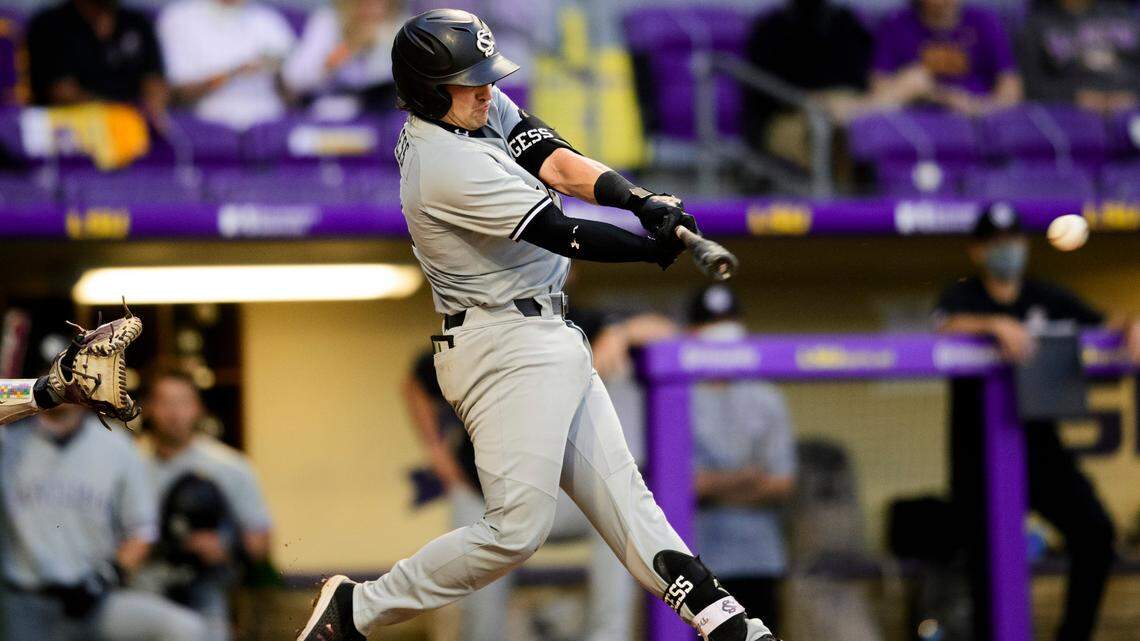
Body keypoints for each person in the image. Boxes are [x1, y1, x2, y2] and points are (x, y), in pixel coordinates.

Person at [296, 9, 775, 641]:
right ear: (428, 90)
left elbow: (555, 160)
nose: (487, 91)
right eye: (470, 83)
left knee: (628, 503)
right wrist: (648, 245)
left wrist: (639, 201)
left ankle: (725, 621)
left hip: (542, 332)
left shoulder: (471, 109)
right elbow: (562, 230)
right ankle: (358, 607)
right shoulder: (441, 163)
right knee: (516, 531)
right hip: (500, 343)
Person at [402, 308, 676, 641]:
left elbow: (671, 334)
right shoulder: (477, 332)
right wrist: (436, 451)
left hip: (567, 496)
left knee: (623, 518)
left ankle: (608, 637)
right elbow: (415, 382)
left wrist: (623, 331)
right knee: (481, 620)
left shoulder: (575, 321)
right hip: (486, 493)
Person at [934, 203, 1140, 641]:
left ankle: (1073, 635)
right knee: (988, 569)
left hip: (1040, 446)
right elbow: (944, 325)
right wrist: (995, 325)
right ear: (977, 250)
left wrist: (1132, 325)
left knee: (1096, 533)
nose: (1006, 249)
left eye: (1013, 240)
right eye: (995, 242)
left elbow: (1107, 322)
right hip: (979, 456)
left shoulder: (1047, 296)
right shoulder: (964, 296)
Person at [0, 405, 207, 641]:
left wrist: (106, 577)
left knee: (185, 629)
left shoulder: (115, 444)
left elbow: (143, 532)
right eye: (54, 374)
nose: (64, 385)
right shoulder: (9, 439)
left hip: (95, 599)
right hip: (25, 601)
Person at [688, 285, 796, 632]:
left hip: (760, 558)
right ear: (692, 333)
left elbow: (781, 483)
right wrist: (747, 478)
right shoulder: (676, 395)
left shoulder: (765, 395)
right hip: (696, 563)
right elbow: (683, 486)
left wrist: (713, 486)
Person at [136, 370, 273, 641]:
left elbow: (261, 541)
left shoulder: (230, 467)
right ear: (149, 408)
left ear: (198, 408)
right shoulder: (128, 463)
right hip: (142, 591)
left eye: (183, 402)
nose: (175, 413)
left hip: (207, 593)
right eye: (165, 402)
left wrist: (226, 545)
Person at [743, 0, 873, 163]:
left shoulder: (847, 23)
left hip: (843, 105)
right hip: (790, 112)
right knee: (817, 129)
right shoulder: (770, 28)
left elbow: (861, 81)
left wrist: (842, 102)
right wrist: (810, 101)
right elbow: (762, 94)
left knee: (862, 125)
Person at [157, 0, 296, 130]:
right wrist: (234, 73)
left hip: (270, 122)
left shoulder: (269, 20)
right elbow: (177, 95)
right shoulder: (179, 18)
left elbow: (294, 95)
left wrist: (282, 75)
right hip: (209, 122)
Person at [870, 0, 1022, 115]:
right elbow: (879, 90)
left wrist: (976, 107)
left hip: (978, 125)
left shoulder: (985, 22)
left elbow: (1011, 92)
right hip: (916, 118)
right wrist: (931, 94)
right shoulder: (895, 25)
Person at [26, 0, 167, 121]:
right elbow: (61, 92)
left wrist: (150, 111)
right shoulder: (49, 25)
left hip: (132, 127)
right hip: (72, 129)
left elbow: (154, 82)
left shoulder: (138, 23)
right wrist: (117, 114)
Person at [0, 312, 142, 429]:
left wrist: (47, 389)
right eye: (46, 370)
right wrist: (49, 389)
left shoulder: (116, 445)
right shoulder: (14, 438)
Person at [283, 0, 404, 116]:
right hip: (329, 114)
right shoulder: (329, 22)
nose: (374, 5)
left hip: (380, 116)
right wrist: (348, 48)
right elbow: (294, 79)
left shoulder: (400, 26)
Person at [1017, 0, 1140, 114]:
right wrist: (1073, 97)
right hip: (1071, 114)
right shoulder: (1036, 25)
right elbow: (1031, 85)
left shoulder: (1122, 14)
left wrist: (1132, 94)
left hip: (1130, 107)